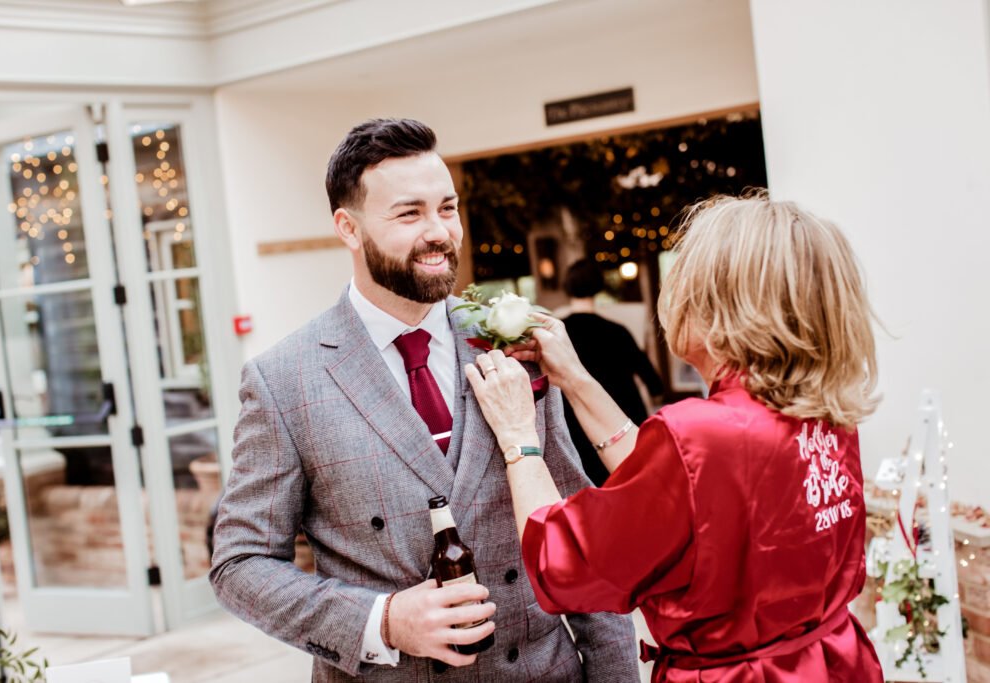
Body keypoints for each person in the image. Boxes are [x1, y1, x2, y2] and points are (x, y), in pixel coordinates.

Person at [209, 118, 639, 682]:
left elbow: (578, 534)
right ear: (349, 228)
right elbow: (241, 564)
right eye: (409, 214)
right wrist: (381, 620)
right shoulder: (284, 380)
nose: (438, 231)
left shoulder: (513, 342)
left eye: (447, 208)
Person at [464, 194, 884, 682]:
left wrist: (519, 437)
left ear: (720, 305)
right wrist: (576, 380)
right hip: (834, 661)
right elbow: (686, 502)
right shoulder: (827, 413)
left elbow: (563, 562)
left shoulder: (699, 435)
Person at [559, 258, 664, 485]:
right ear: (599, 286)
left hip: (573, 432)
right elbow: (654, 383)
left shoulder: (555, 335)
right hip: (619, 428)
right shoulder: (618, 332)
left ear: (567, 286)